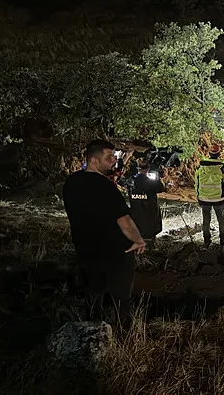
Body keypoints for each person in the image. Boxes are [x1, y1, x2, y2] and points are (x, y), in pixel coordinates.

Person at [62, 139, 147, 326]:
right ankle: (122, 337)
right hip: (116, 252)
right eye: (109, 157)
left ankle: (91, 333)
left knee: (93, 298)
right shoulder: (105, 187)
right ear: (94, 161)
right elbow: (124, 221)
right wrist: (138, 240)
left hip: (86, 251)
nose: (113, 161)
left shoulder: (71, 183)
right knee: (122, 300)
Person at [194, 143, 224, 247]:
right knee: (221, 221)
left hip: (204, 199)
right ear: (219, 154)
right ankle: (223, 242)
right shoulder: (221, 168)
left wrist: (197, 197)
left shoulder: (200, 167)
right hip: (219, 200)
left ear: (209, 153)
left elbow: (196, 184)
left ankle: (206, 241)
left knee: (206, 221)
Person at [126, 161, 165, 244]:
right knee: (150, 237)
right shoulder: (149, 182)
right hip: (150, 217)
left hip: (136, 218)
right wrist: (158, 178)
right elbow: (160, 188)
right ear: (147, 169)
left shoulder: (131, 181)